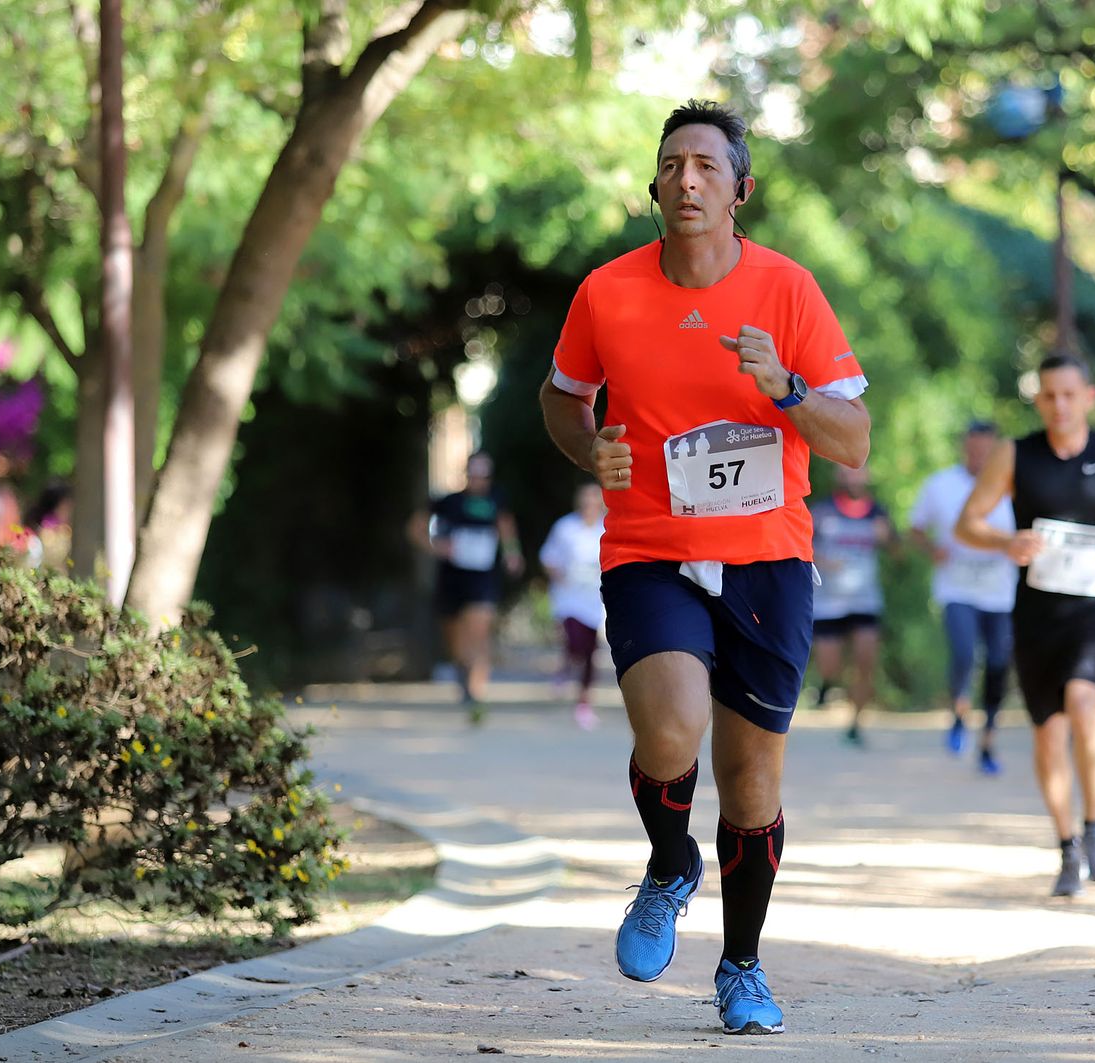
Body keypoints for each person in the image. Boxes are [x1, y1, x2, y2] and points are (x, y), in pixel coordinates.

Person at [538, 99, 869, 1035]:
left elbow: (852, 442)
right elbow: (563, 398)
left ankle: (742, 966)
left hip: (768, 559)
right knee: (671, 735)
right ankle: (670, 861)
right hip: (652, 550)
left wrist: (786, 389)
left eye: (707, 167)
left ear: (740, 191)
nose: (687, 179)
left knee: (753, 778)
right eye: (672, 164)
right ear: (655, 186)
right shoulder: (606, 291)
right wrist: (589, 448)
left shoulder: (789, 291)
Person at [956, 354, 1095, 897]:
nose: (1060, 405)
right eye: (1050, 395)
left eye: (1070, 394)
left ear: (1089, 397)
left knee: (1083, 700)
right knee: (1049, 732)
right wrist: (1006, 542)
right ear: (1039, 400)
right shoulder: (1016, 453)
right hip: (1036, 612)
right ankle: (1068, 846)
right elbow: (968, 523)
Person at [908, 422, 1017, 774]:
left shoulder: (1012, 488)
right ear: (964, 448)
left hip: (1001, 593)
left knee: (999, 662)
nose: (980, 458)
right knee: (964, 652)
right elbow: (915, 529)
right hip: (956, 588)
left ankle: (988, 738)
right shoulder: (940, 485)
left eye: (987, 452)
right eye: (974, 451)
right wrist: (932, 550)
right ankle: (959, 713)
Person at [409, 452, 525, 719]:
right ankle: (463, 674)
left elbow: (506, 527)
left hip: (483, 577)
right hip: (452, 578)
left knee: (479, 630)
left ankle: (475, 689)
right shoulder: (449, 502)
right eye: (474, 474)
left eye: (484, 475)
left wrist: (512, 553)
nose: (478, 480)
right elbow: (415, 527)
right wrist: (434, 546)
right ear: (466, 475)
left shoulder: (497, 499)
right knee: (455, 637)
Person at [809, 463, 894, 746]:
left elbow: (898, 549)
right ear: (838, 476)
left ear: (867, 476)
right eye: (847, 471)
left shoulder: (878, 512)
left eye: (858, 471)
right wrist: (823, 561)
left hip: (865, 600)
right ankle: (828, 683)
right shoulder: (822, 511)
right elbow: (799, 547)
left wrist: (889, 538)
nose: (853, 477)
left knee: (865, 661)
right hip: (828, 603)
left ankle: (856, 723)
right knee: (829, 664)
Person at [540, 483, 608, 730]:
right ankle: (567, 665)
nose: (589, 506)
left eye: (594, 502)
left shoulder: (607, 527)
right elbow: (548, 557)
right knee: (574, 641)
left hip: (595, 599)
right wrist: (559, 575)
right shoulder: (565, 527)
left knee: (590, 651)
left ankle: (584, 702)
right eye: (585, 501)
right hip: (569, 598)